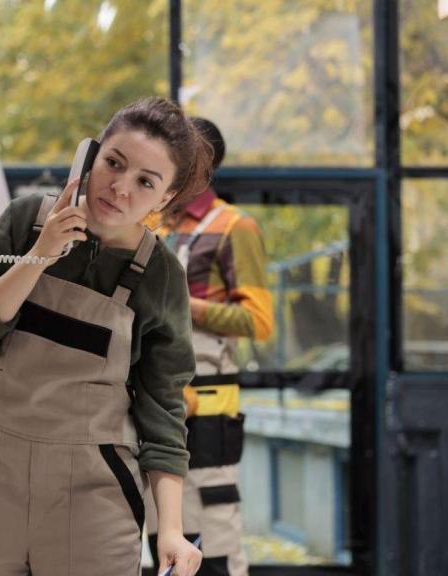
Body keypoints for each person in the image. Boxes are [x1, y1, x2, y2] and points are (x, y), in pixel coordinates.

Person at [0, 97, 211, 576]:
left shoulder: (160, 274)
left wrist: (169, 528)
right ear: (91, 155)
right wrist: (41, 254)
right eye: (114, 163)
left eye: (145, 182)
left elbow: (163, 405)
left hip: (93, 489)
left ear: (165, 199)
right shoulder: (26, 220)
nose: (119, 187)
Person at [145, 117, 274, 576]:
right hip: (157, 408)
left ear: (202, 164)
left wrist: (185, 303)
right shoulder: (153, 224)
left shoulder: (234, 227)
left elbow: (258, 321)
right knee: (158, 542)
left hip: (207, 418)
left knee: (209, 549)